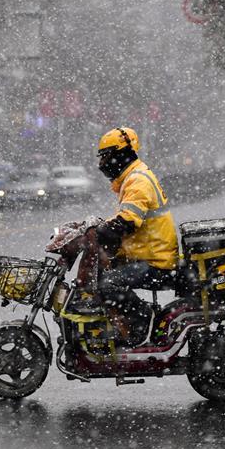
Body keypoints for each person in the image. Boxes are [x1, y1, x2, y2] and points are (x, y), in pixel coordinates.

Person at [91, 127, 179, 345]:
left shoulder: (137, 180)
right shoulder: (132, 178)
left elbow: (128, 220)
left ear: (122, 153)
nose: (103, 164)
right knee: (103, 275)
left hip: (156, 261)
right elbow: (127, 216)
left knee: (108, 284)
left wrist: (102, 232)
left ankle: (141, 320)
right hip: (149, 254)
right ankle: (120, 323)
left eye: (107, 156)